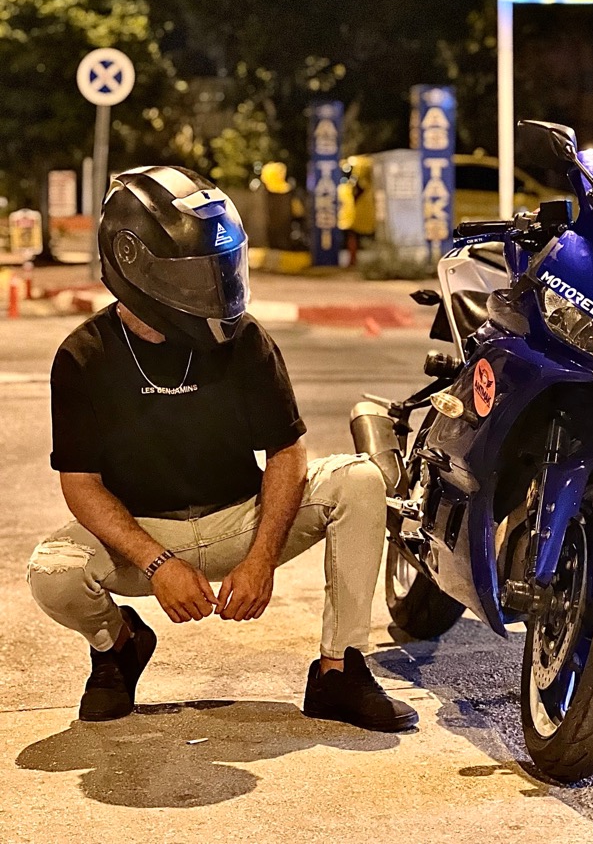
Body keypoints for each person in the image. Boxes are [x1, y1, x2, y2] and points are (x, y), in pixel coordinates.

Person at [27, 165, 417, 733]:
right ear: (132, 263)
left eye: (217, 270)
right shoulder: (83, 356)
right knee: (52, 573)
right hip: (143, 535)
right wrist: (157, 562)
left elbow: (287, 452)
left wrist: (260, 559)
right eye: (192, 276)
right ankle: (119, 645)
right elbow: (80, 484)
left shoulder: (245, 339)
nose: (212, 291)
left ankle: (340, 671)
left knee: (358, 480)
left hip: (241, 520)